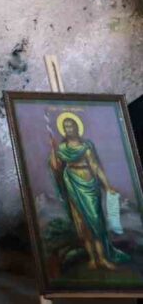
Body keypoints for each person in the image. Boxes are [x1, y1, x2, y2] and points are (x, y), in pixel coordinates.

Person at [49, 113, 129, 270]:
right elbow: (56, 167)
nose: (69, 129)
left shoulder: (86, 146)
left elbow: (95, 166)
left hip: (89, 184)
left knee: (96, 221)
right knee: (82, 222)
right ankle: (93, 259)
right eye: (66, 127)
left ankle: (103, 258)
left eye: (71, 126)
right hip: (72, 182)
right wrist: (53, 153)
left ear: (77, 127)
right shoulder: (62, 148)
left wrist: (107, 186)